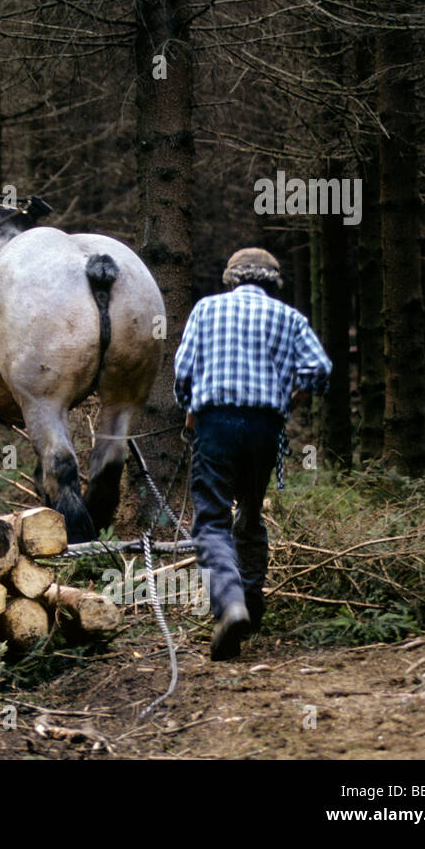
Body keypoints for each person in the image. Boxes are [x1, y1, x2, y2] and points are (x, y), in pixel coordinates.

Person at [173, 248, 332, 660]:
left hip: (215, 424)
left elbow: (183, 371)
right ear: (272, 283)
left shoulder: (206, 310)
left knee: (210, 520)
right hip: (265, 429)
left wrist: (189, 408)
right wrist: (290, 398)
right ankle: (251, 603)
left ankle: (229, 605)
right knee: (250, 514)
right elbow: (320, 369)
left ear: (231, 279)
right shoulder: (290, 318)